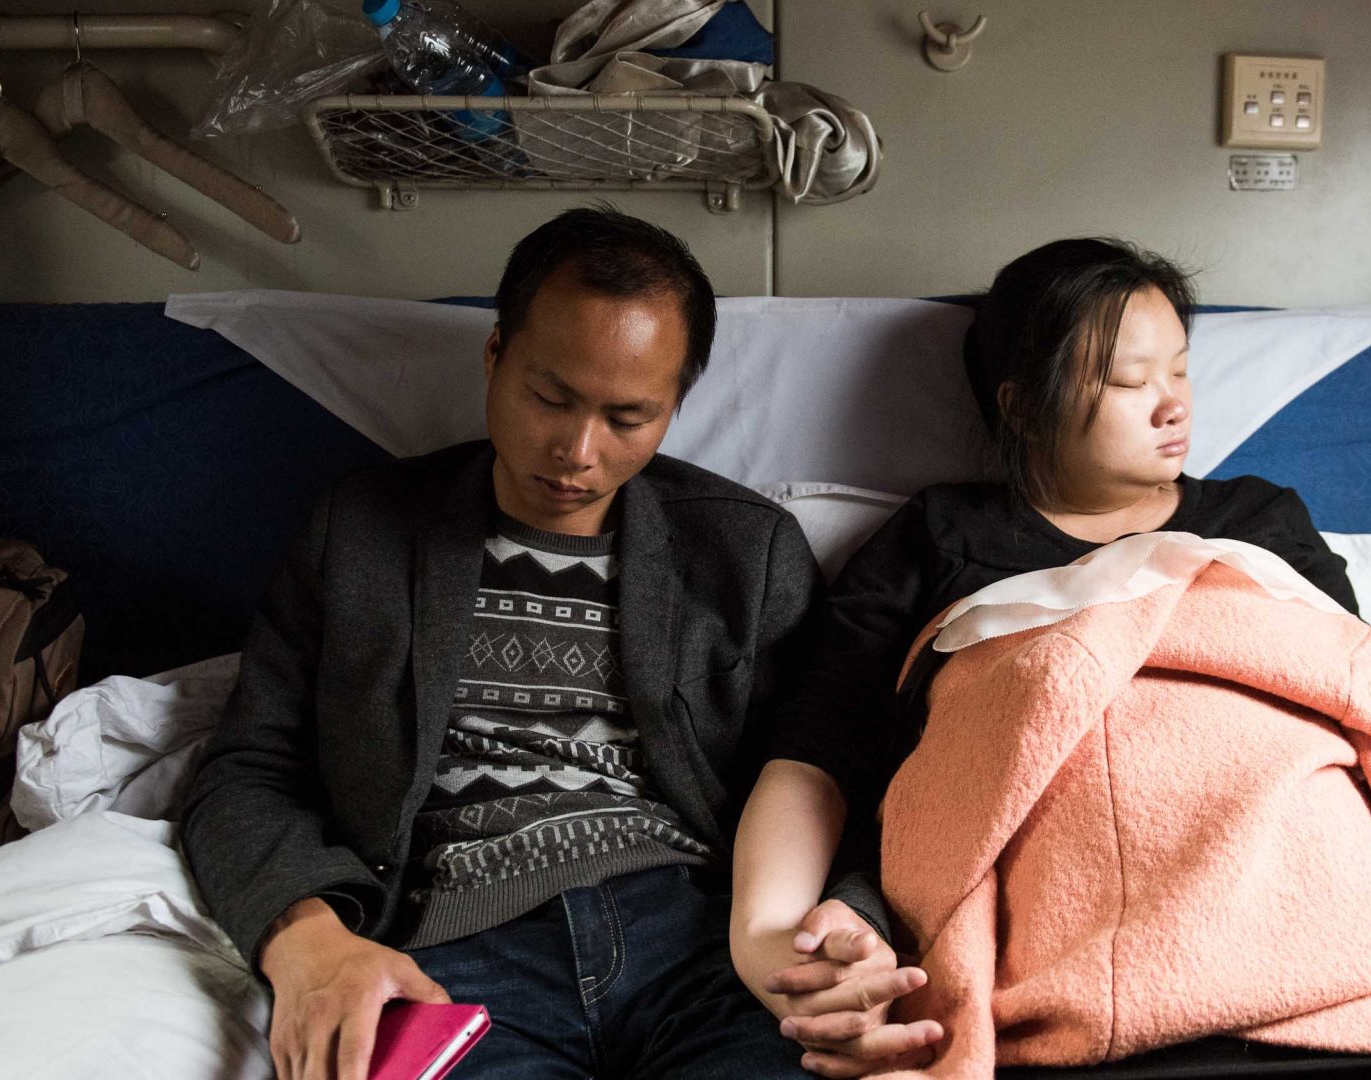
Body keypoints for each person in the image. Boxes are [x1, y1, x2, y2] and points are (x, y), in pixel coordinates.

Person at [732, 237, 1371, 1078]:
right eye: (1127, 380)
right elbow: (824, 751)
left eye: (1180, 371)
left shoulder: (1258, 522)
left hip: (1298, 889)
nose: (1172, 405)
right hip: (1060, 919)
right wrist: (780, 935)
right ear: (1023, 405)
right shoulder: (939, 536)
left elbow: (1369, 736)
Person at [181, 206, 914, 1080]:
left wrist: (848, 917)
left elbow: (832, 768)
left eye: (628, 418)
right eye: (549, 397)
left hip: (699, 942)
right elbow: (248, 767)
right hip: (458, 949)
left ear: (676, 407)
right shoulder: (361, 532)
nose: (576, 451)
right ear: (496, 357)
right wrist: (304, 936)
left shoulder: (745, 550)